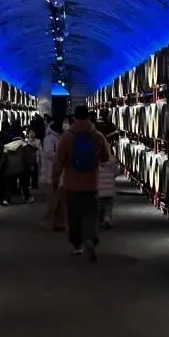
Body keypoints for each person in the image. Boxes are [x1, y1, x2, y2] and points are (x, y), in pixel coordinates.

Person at [53, 105, 112, 260]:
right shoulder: (97, 135)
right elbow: (106, 157)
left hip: (71, 184)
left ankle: (76, 245)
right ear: (88, 117)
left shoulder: (67, 137)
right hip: (91, 183)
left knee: (74, 216)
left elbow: (59, 161)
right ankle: (90, 238)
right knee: (91, 214)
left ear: (74, 117)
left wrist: (55, 179)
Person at [0, 123, 33, 205]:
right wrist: (31, 166)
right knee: (24, 183)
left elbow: (3, 159)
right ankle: (27, 197)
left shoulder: (7, 146)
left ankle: (6, 199)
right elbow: (28, 158)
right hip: (21, 168)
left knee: (7, 183)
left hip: (9, 168)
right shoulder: (23, 145)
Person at [41, 119, 66, 230]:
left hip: (57, 173)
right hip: (50, 174)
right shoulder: (50, 139)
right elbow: (48, 153)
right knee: (53, 201)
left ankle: (58, 223)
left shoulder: (56, 138)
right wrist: (61, 156)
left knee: (59, 200)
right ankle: (47, 222)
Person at [97, 132, 118, 229]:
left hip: (99, 189)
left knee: (99, 206)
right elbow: (116, 173)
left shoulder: (96, 162)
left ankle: (101, 221)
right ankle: (107, 218)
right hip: (110, 189)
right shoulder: (112, 161)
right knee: (109, 206)